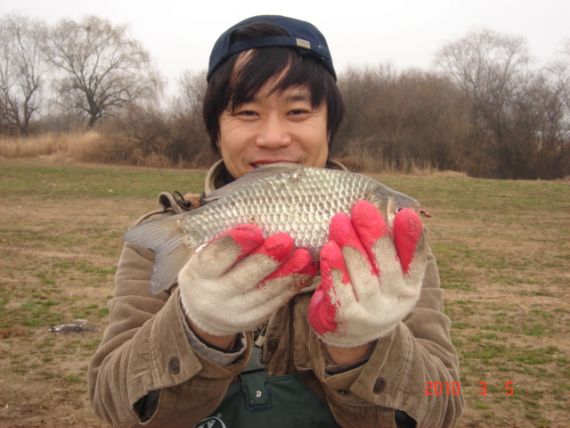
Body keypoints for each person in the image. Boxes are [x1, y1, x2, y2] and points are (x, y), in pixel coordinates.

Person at [88, 15, 463, 428]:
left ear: (328, 125)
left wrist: (361, 346)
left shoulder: (395, 246)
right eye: (247, 112)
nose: (272, 137)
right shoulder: (160, 236)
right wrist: (199, 329)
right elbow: (113, 406)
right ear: (216, 130)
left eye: (298, 111)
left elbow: (443, 403)